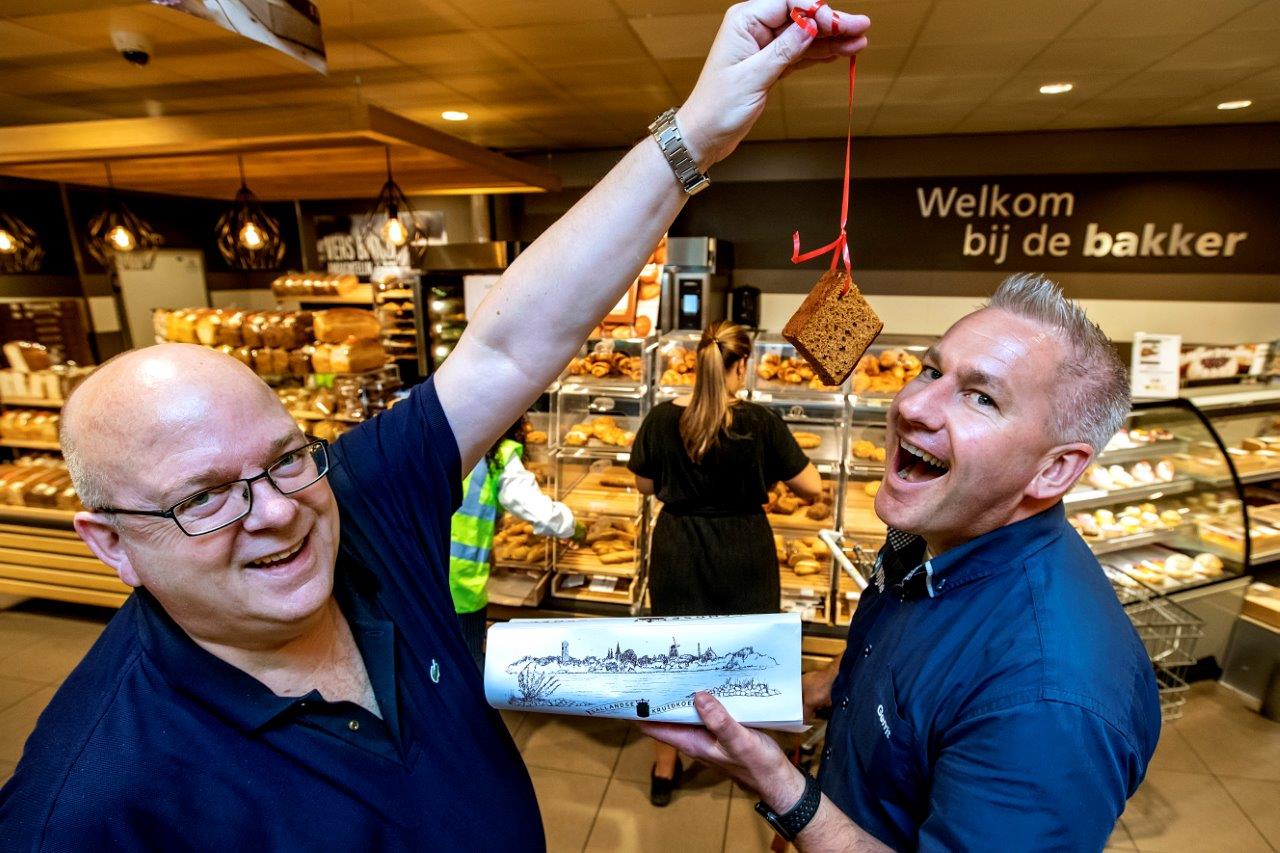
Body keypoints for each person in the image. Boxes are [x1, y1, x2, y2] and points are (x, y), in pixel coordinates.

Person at [0, 1, 870, 847]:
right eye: (203, 498)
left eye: (284, 459)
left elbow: (506, 347)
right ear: (109, 542)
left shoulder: (353, 512)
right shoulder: (88, 804)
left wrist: (699, 133)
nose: (273, 510)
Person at [643, 274, 1163, 851]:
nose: (912, 404)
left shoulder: (1047, 700)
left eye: (981, 397)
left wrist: (783, 790)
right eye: (933, 371)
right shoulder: (931, 539)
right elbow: (913, 676)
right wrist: (832, 685)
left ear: (1054, 470)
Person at [628, 320, 821, 805]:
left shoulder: (659, 419)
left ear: (698, 363)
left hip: (678, 546)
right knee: (742, 654)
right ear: (741, 365)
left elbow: (645, 487)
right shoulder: (760, 422)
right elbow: (812, 488)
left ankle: (664, 767)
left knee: (672, 656)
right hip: (743, 550)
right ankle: (743, 755)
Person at [451, 416, 577, 669]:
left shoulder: (439, 442)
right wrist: (572, 526)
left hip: (416, 578)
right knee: (467, 668)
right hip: (461, 589)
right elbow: (539, 511)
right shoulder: (498, 454)